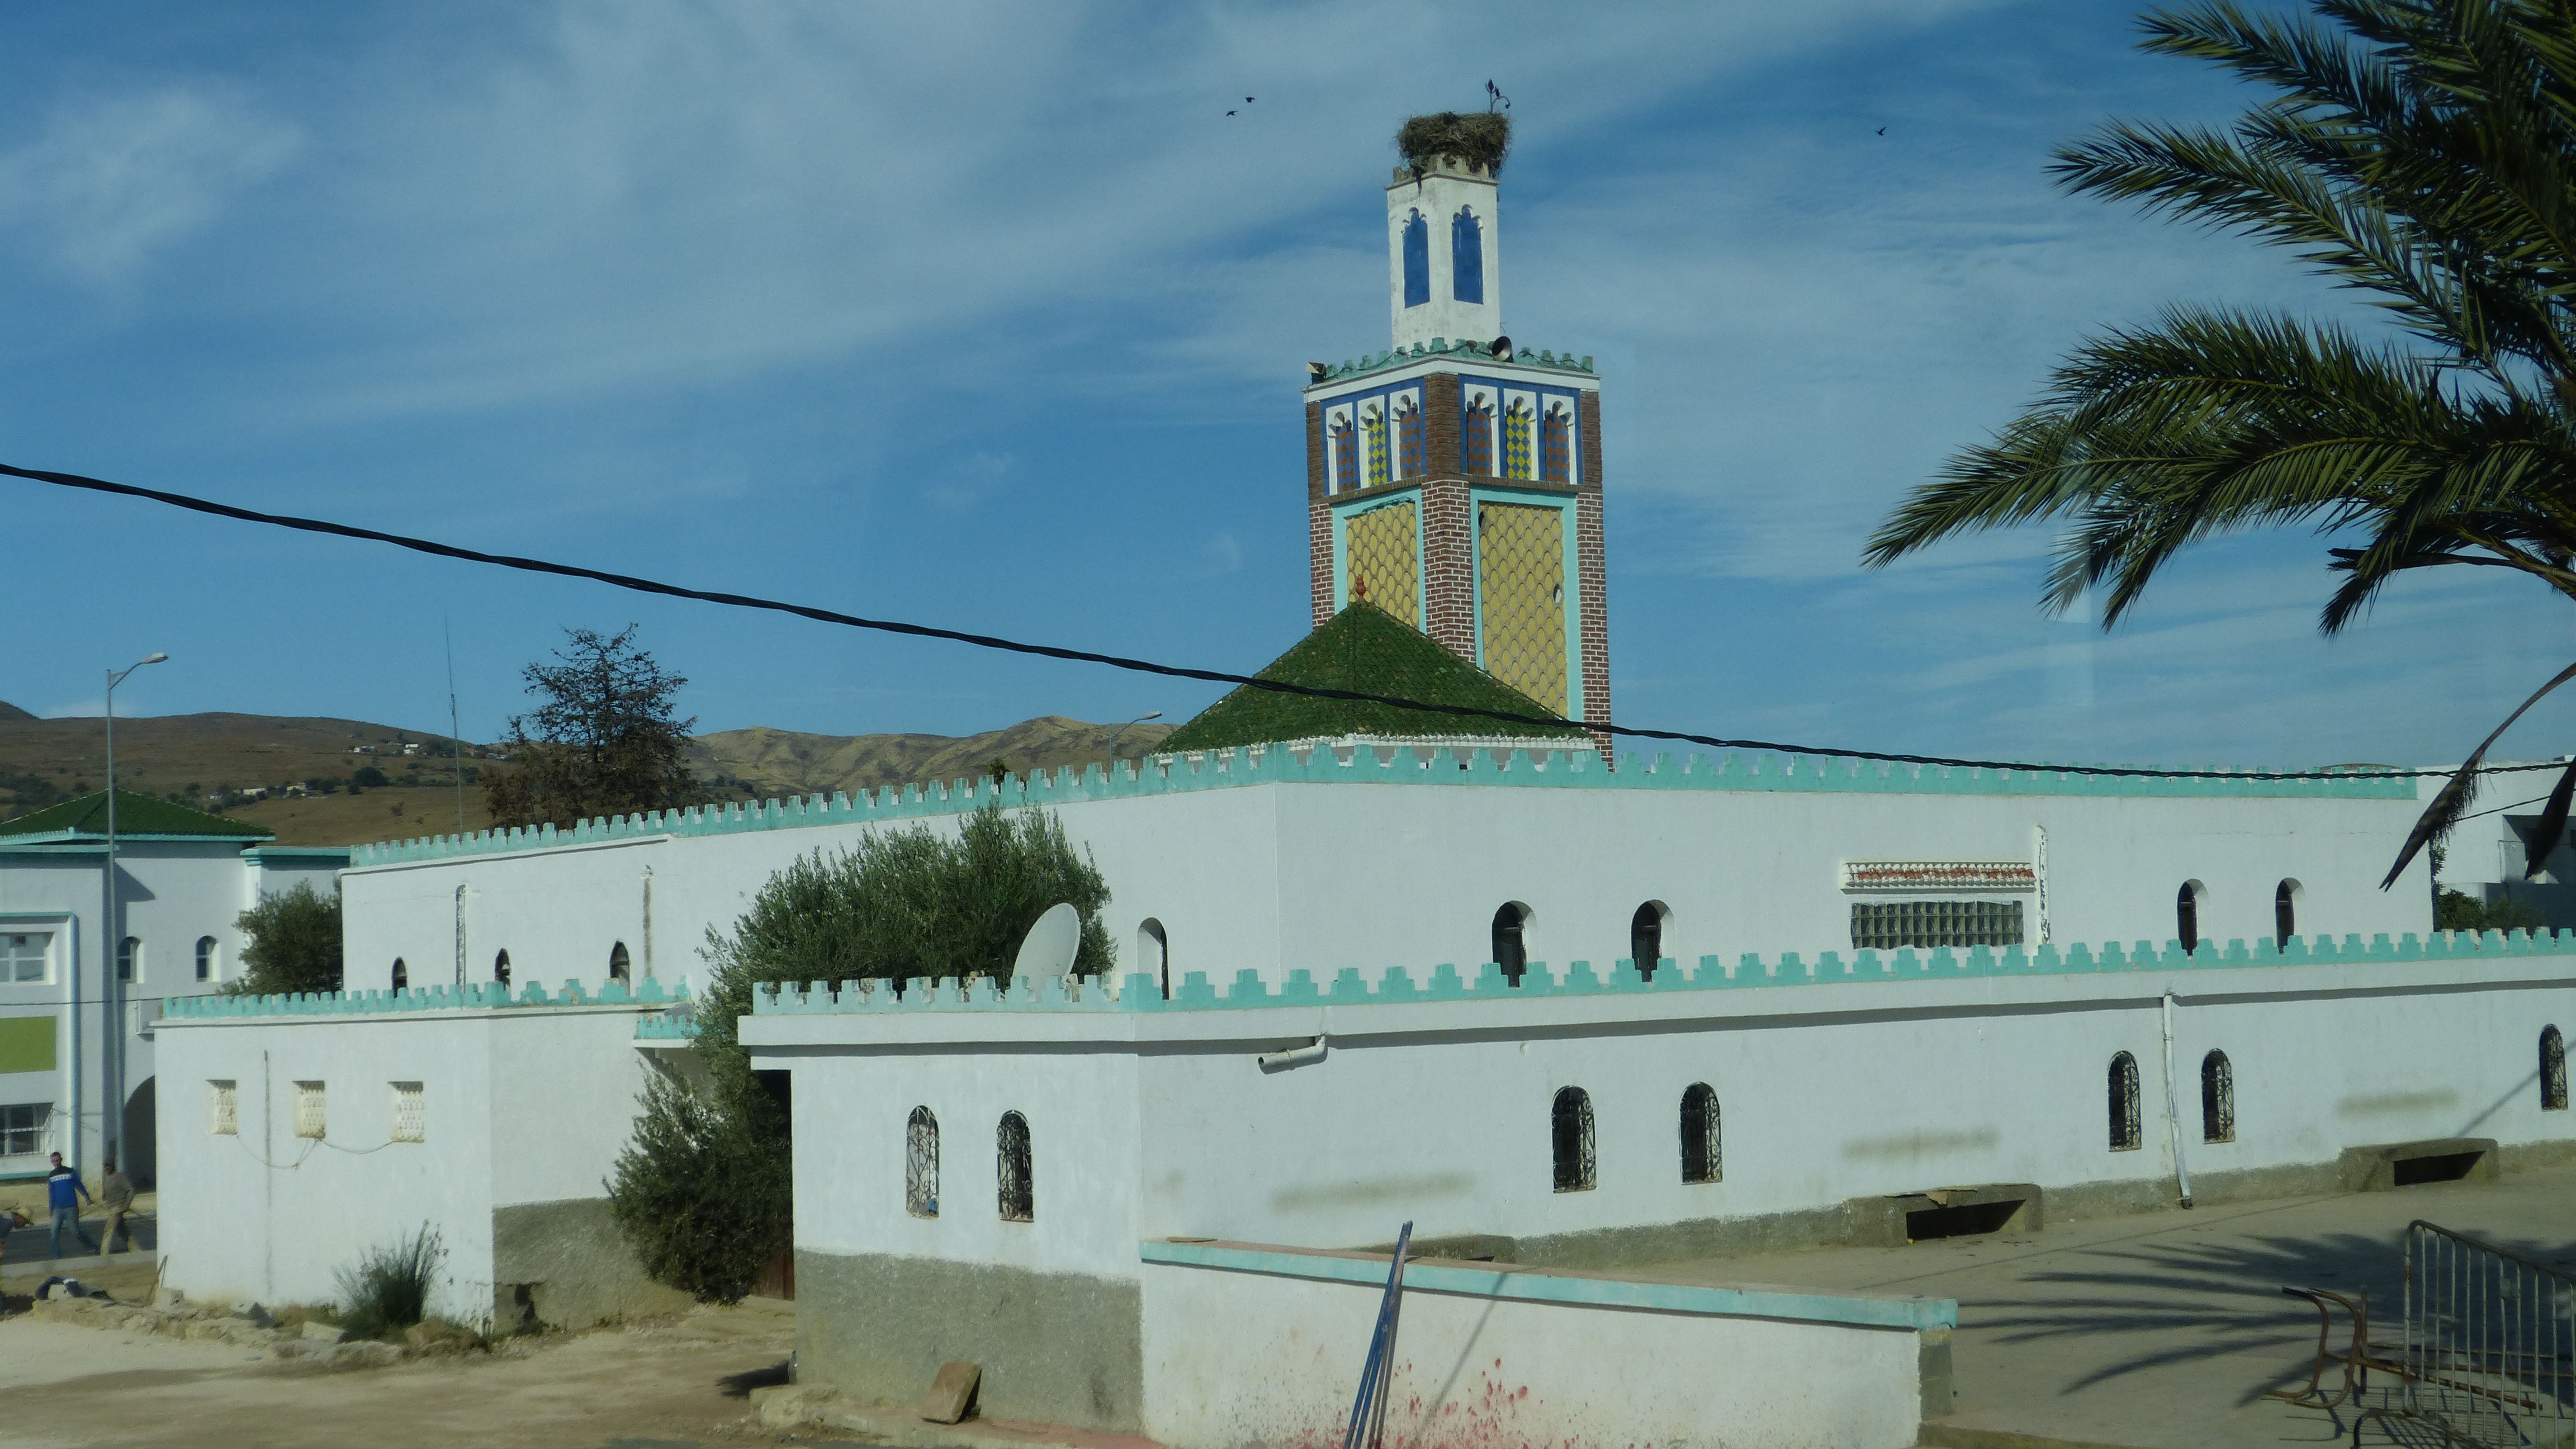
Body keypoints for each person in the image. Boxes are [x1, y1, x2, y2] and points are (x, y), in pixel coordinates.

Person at [44, 1153, 95, 1259]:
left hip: (71, 1207)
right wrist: (51, 1209)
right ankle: (56, 1257)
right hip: (58, 1209)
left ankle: (92, 1247)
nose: (56, 1163)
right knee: (54, 1233)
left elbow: (79, 1185)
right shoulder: (51, 1176)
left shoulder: (70, 1172)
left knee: (76, 1232)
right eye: (54, 1161)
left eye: (57, 1161)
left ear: (61, 1160)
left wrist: (87, 1197)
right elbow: (51, 1193)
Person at [98, 1156, 134, 1254]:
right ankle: (136, 1250)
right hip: (110, 1206)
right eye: (105, 1166)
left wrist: (127, 1204)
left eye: (108, 1166)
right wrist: (104, 1197)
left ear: (113, 1166)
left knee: (108, 1230)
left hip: (118, 1207)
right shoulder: (105, 1176)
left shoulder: (119, 1177)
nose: (107, 1168)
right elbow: (105, 1189)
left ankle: (103, 1254)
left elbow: (131, 1190)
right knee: (122, 1230)